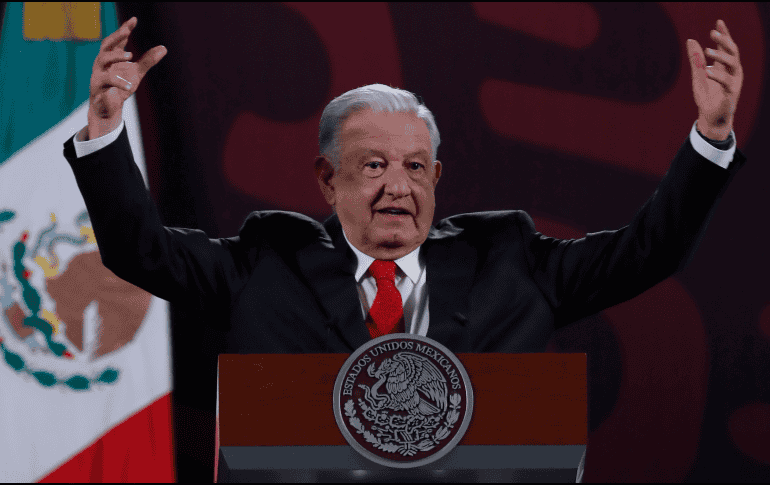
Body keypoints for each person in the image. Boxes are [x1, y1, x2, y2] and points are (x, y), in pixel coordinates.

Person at [63, 16, 745, 480]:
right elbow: (138, 250)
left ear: (437, 177)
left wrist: (709, 137)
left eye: (415, 167)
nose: (398, 187)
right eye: (372, 166)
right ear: (327, 181)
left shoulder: (509, 257)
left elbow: (647, 250)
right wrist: (102, 131)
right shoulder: (264, 262)